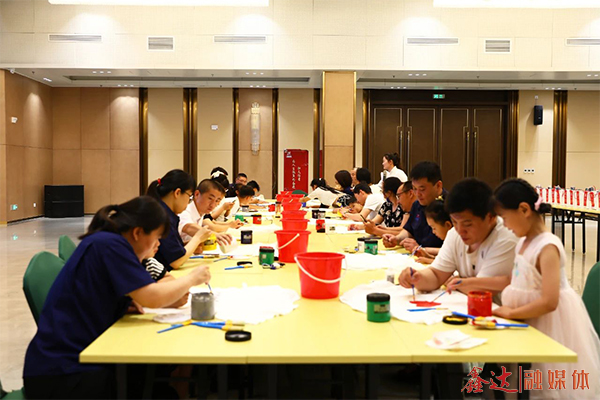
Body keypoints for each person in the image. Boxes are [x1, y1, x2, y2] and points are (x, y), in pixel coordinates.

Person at [23, 196, 211, 399]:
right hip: (63, 373)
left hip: (75, 360)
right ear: (138, 233)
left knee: (158, 384)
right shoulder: (112, 245)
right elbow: (151, 297)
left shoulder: (108, 241)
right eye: (156, 237)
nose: (157, 244)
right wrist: (192, 278)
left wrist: (121, 304)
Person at [492, 178, 600, 398]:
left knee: (545, 386)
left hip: (549, 325)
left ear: (524, 210)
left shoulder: (548, 246)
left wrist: (511, 312)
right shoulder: (522, 243)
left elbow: (550, 301)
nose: (505, 225)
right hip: (526, 320)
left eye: (505, 218)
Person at [397, 178, 517, 303]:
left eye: (467, 224)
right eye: (455, 222)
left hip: (501, 311)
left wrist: (457, 282)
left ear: (491, 217)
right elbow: (436, 275)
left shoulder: (506, 239)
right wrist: (417, 278)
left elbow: (482, 290)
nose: (460, 230)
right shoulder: (454, 234)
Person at [147, 169, 227, 270]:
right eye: (189, 196)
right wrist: (197, 238)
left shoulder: (163, 211)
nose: (189, 201)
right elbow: (175, 261)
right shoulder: (161, 216)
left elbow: (168, 249)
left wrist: (190, 245)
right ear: (177, 193)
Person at [382, 161, 446, 252]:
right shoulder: (417, 204)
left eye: (422, 189)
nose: (417, 194)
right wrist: (396, 239)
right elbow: (409, 230)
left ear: (438, 186)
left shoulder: (450, 207)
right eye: (415, 189)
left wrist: (421, 249)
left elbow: (454, 250)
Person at [414, 200, 453, 264]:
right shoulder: (448, 240)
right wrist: (429, 257)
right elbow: (446, 259)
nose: (433, 232)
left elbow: (452, 265)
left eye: (434, 228)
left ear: (448, 225)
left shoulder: (456, 239)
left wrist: (429, 260)